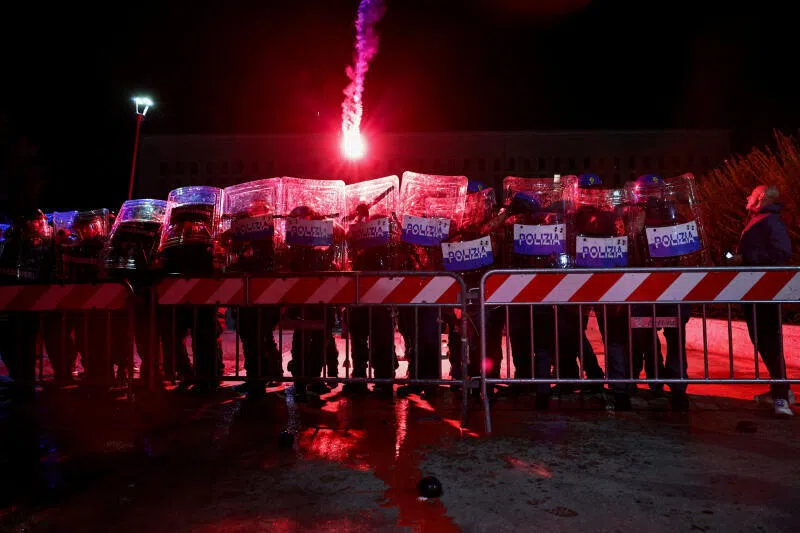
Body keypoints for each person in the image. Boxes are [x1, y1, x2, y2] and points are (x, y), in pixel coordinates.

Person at [731, 184, 794, 418]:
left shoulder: (770, 221)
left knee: (769, 343)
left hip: (765, 293)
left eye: (752, 194)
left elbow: (782, 253)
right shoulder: (760, 219)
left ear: (761, 199)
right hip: (755, 292)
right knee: (764, 342)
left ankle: (781, 398)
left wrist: (746, 258)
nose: (747, 196)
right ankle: (782, 391)